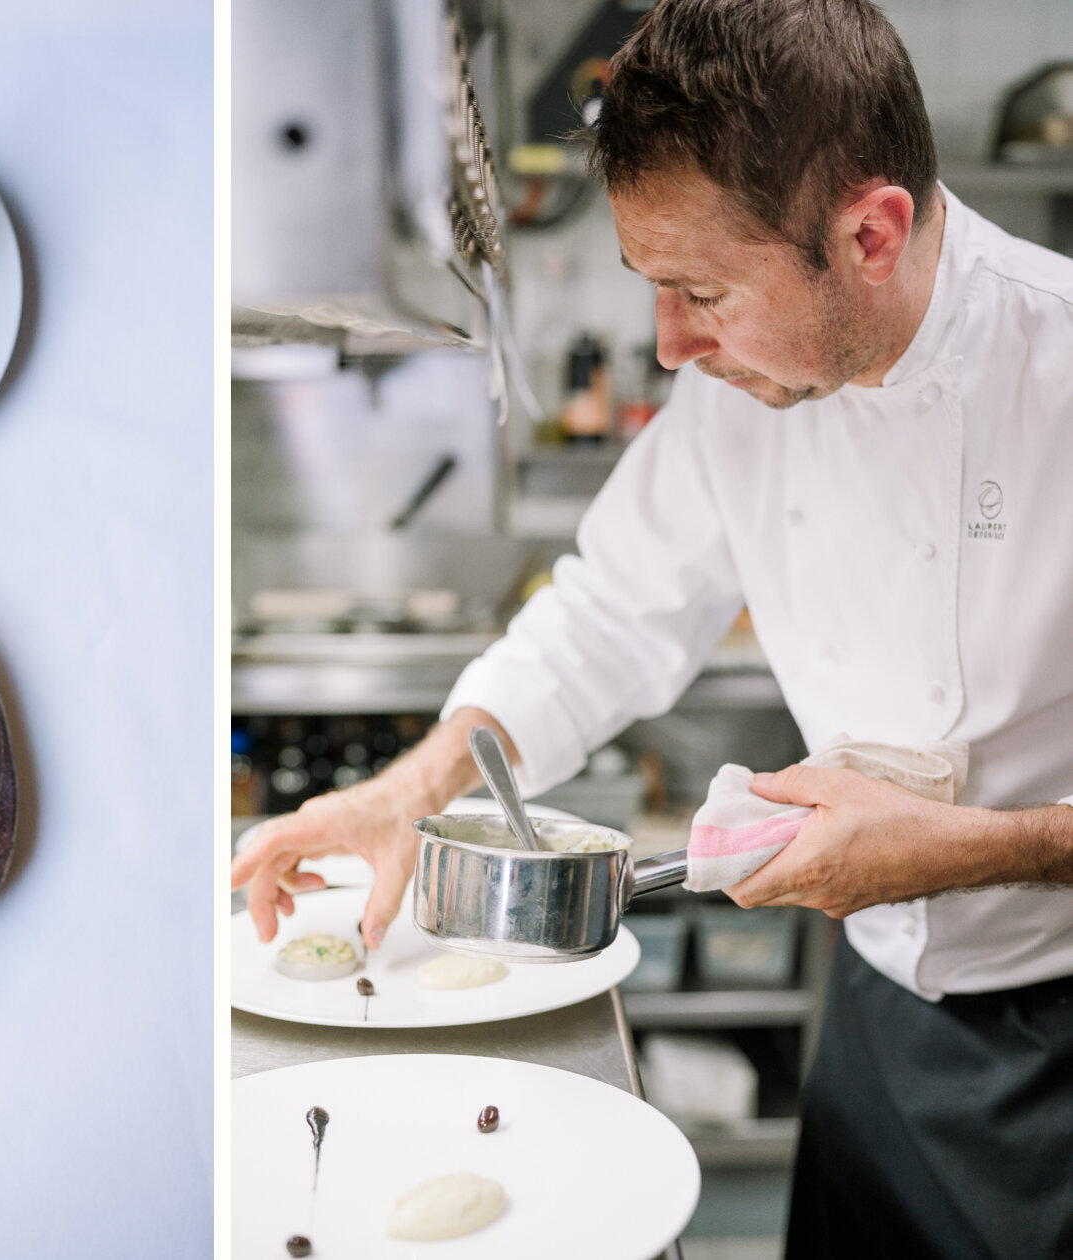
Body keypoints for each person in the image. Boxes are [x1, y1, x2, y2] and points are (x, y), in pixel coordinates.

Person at [230, 1, 1073, 1255]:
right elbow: (604, 615)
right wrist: (413, 792)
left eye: (700, 292)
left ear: (868, 234)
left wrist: (968, 848)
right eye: (650, 292)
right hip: (873, 1018)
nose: (672, 346)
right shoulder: (745, 384)